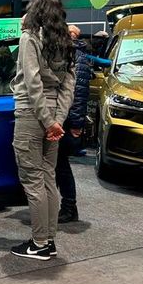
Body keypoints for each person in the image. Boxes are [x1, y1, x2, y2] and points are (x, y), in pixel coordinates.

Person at [10, 0, 75, 261]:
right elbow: (68, 85)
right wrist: (57, 120)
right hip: (53, 117)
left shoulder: (30, 38)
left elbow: (32, 82)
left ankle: (38, 244)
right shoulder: (66, 42)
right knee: (48, 177)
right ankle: (48, 240)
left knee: (33, 181)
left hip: (31, 114)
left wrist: (48, 121)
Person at [55, 30, 93, 223]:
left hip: (68, 121)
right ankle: (62, 206)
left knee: (61, 165)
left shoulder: (77, 58)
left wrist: (76, 125)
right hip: (64, 119)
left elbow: (78, 94)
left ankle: (69, 207)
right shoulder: (70, 55)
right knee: (57, 165)